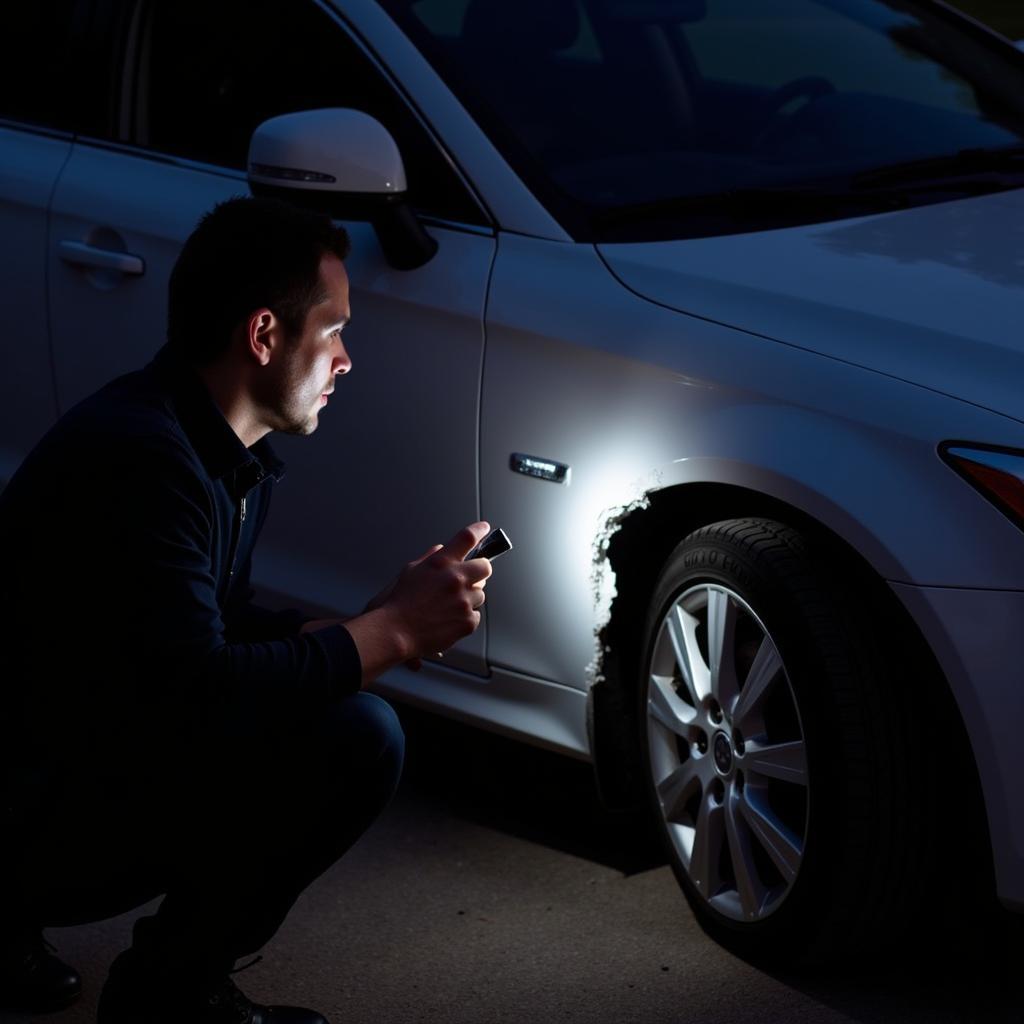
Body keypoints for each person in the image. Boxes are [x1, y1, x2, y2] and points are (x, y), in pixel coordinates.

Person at [0, 196, 492, 1024]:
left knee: (331, 701)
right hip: (26, 806)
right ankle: (167, 994)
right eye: (332, 330)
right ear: (264, 337)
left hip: (73, 762)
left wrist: (352, 630)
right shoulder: (144, 459)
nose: (345, 360)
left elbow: (196, 628)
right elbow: (199, 689)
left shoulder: (209, 448)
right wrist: (391, 632)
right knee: (359, 737)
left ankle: (156, 976)